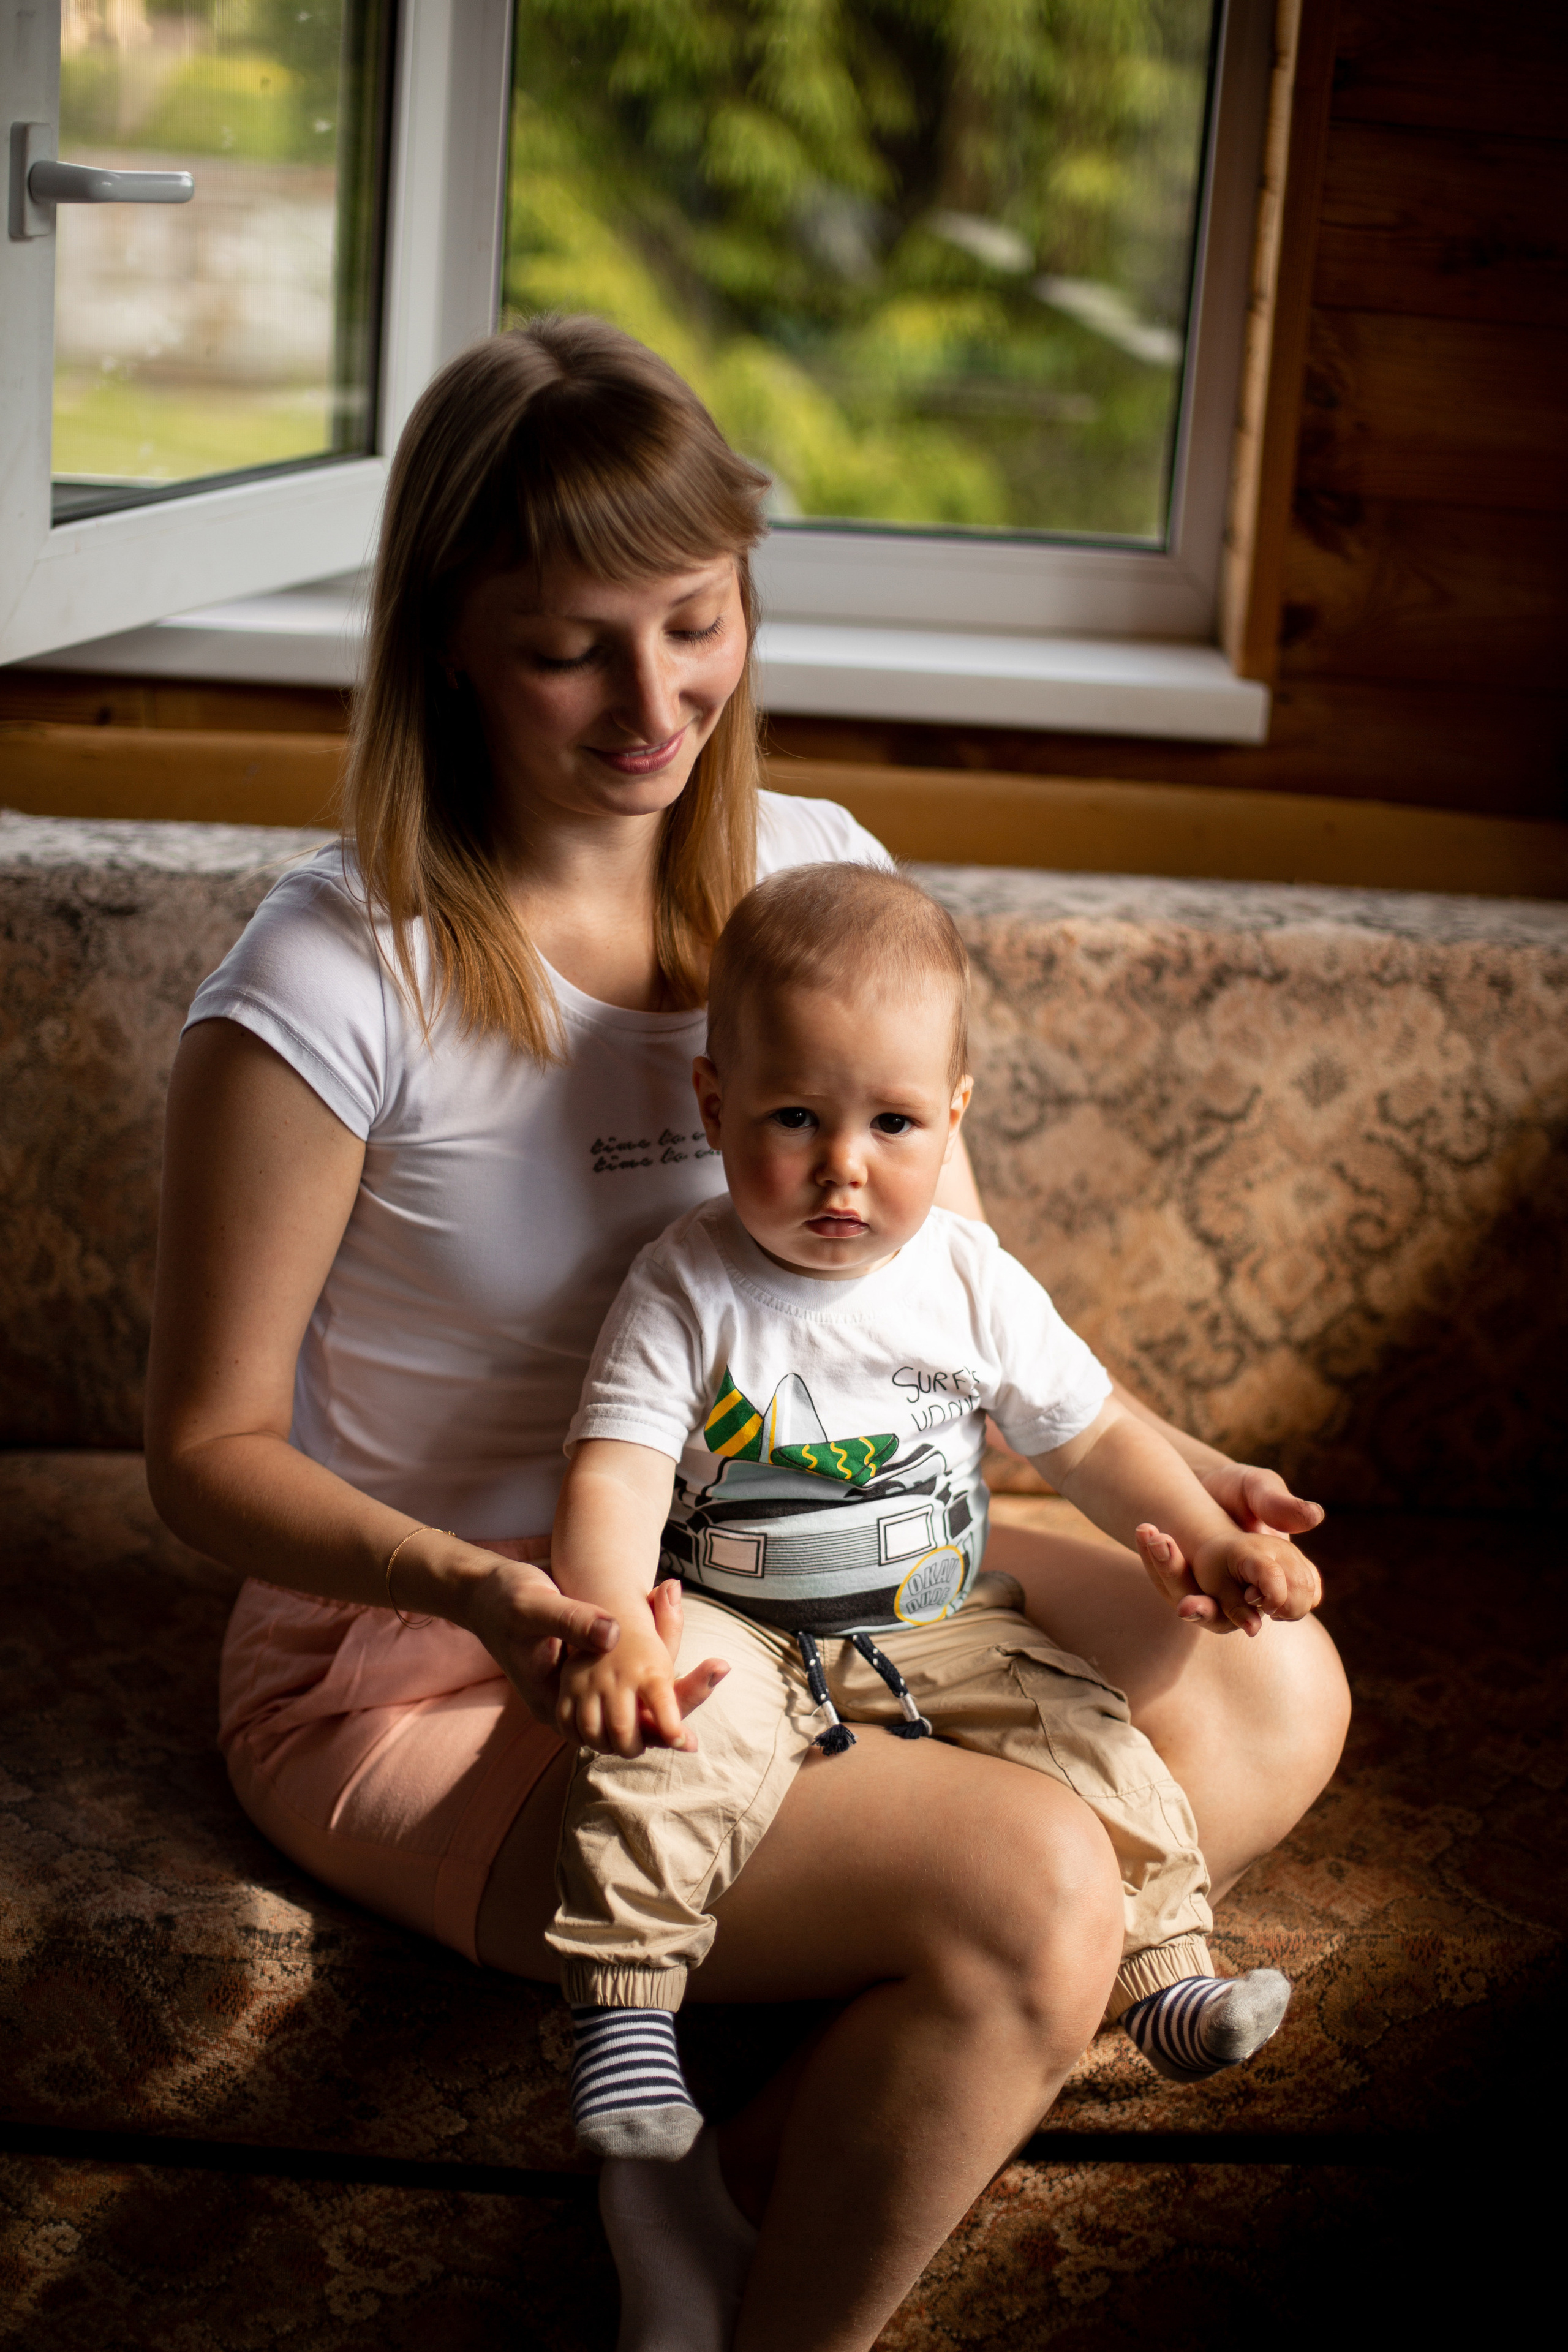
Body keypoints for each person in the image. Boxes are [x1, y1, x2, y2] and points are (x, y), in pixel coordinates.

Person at [144, 315, 1350, 2352]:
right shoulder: (335, 978)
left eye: (695, 624)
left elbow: (960, 1297)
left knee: (1272, 1689)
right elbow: (205, 1457)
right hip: (442, 1657)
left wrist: (1182, 1490)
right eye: (573, 646)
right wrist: (500, 1589)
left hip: (798, 1581)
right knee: (1041, 1887)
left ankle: (733, 2181)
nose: (654, 700)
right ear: (448, 639)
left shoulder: (813, 875)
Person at [548, 861, 1303, 2162]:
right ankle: (623, 2022)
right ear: (713, 1103)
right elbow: (613, 1472)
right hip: (736, 1618)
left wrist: (1215, 1532)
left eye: (892, 1125)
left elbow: (1093, 1433)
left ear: (952, 1118)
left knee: (1089, 1736)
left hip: (939, 1618)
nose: (842, 1169)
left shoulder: (969, 1279)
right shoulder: (685, 1284)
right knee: (660, 1756)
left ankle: (1166, 1980)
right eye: (794, 1117)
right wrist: (616, 1623)